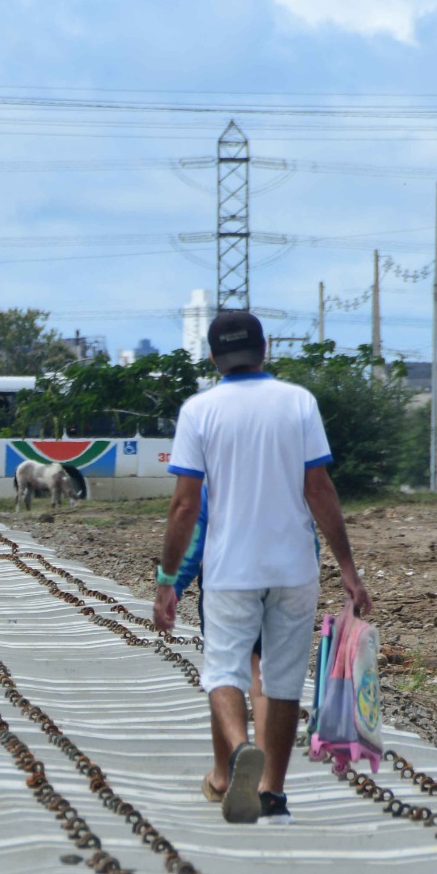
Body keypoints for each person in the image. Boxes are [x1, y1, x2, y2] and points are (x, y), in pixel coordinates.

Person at [152, 311, 370, 825]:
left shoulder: (199, 410)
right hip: (294, 568)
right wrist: (348, 568)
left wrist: (167, 579)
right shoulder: (299, 403)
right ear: (265, 349)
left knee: (223, 671)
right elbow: (319, 489)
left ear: (213, 358)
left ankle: (238, 749)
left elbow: (185, 505)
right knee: (284, 681)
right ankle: (273, 793)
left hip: (231, 570)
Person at [167, 484, 267, 805]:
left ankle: (225, 772)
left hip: (224, 582)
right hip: (276, 580)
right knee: (260, 672)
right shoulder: (283, 468)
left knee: (224, 672)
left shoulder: (216, 473)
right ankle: (267, 781)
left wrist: (173, 586)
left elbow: (194, 534)